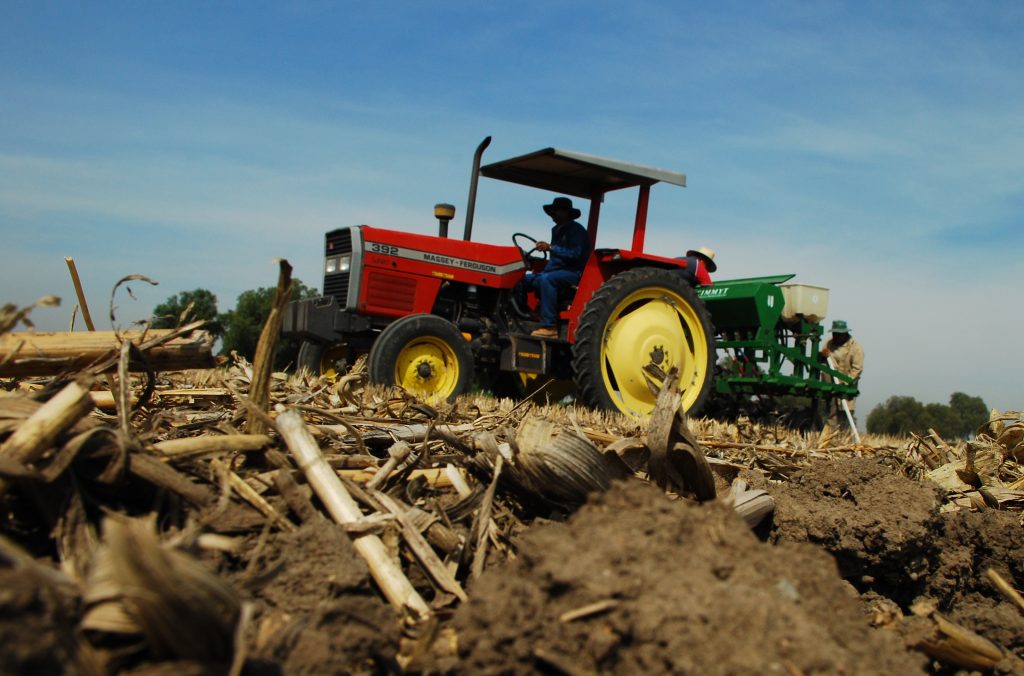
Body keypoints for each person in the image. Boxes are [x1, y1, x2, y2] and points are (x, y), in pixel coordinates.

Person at [517, 197, 591, 338]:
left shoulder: (576, 230)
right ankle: (525, 315)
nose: (553, 213)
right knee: (520, 280)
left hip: (573, 273)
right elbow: (556, 258)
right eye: (552, 211)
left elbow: (575, 254)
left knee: (547, 279)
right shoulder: (557, 230)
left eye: (556, 210)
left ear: (567, 213)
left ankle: (549, 327)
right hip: (556, 272)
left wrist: (550, 247)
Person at [821, 319, 864, 429]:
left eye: (838, 334)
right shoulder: (829, 343)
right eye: (834, 333)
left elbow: (857, 369)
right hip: (831, 386)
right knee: (831, 411)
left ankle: (845, 437)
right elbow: (823, 359)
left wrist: (844, 382)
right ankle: (831, 435)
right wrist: (822, 354)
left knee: (845, 413)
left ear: (844, 334)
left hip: (847, 386)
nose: (836, 336)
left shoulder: (855, 348)